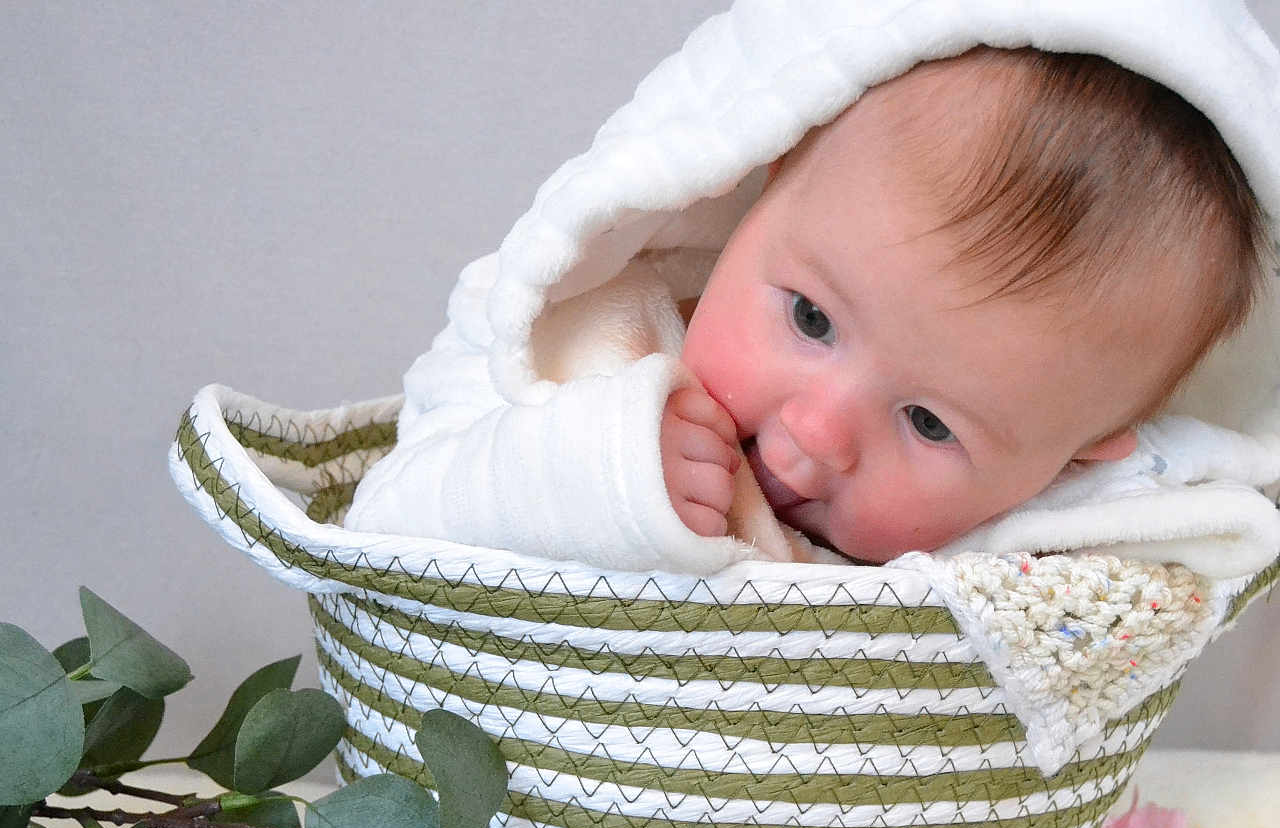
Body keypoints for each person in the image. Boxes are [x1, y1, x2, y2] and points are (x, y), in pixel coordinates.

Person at [346, 0, 1280, 582]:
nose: (820, 434)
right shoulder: (583, 338)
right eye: (810, 317)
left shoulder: (1067, 544)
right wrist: (596, 474)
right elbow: (381, 531)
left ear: (1075, 457)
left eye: (930, 423)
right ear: (766, 177)